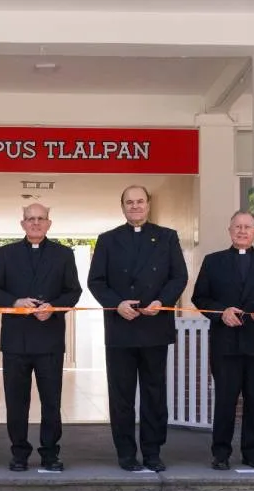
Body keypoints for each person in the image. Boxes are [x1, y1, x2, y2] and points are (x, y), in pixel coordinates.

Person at [87, 185, 187, 472]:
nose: (135, 206)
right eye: (129, 202)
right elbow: (96, 281)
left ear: (148, 204)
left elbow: (178, 276)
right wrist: (116, 304)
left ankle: (153, 452)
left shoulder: (167, 237)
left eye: (139, 201)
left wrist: (162, 301)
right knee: (121, 395)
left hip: (154, 326)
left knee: (154, 394)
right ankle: (126, 453)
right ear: (122, 207)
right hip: (120, 328)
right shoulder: (107, 240)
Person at [0, 203, 82, 472]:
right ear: (22, 223)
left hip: (49, 338)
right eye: (30, 219)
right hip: (16, 340)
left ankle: (50, 453)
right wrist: (15, 301)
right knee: (16, 401)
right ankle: (19, 453)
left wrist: (53, 308)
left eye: (41, 219)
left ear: (49, 223)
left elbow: (73, 292)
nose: (35, 223)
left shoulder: (64, 254)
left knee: (52, 400)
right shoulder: (6, 254)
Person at [192, 211, 254, 471]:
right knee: (225, 400)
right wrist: (221, 313)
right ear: (229, 230)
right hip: (226, 344)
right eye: (237, 227)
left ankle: (252, 452)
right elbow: (200, 298)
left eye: (247, 227)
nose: (242, 231)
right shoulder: (213, 262)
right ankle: (220, 452)